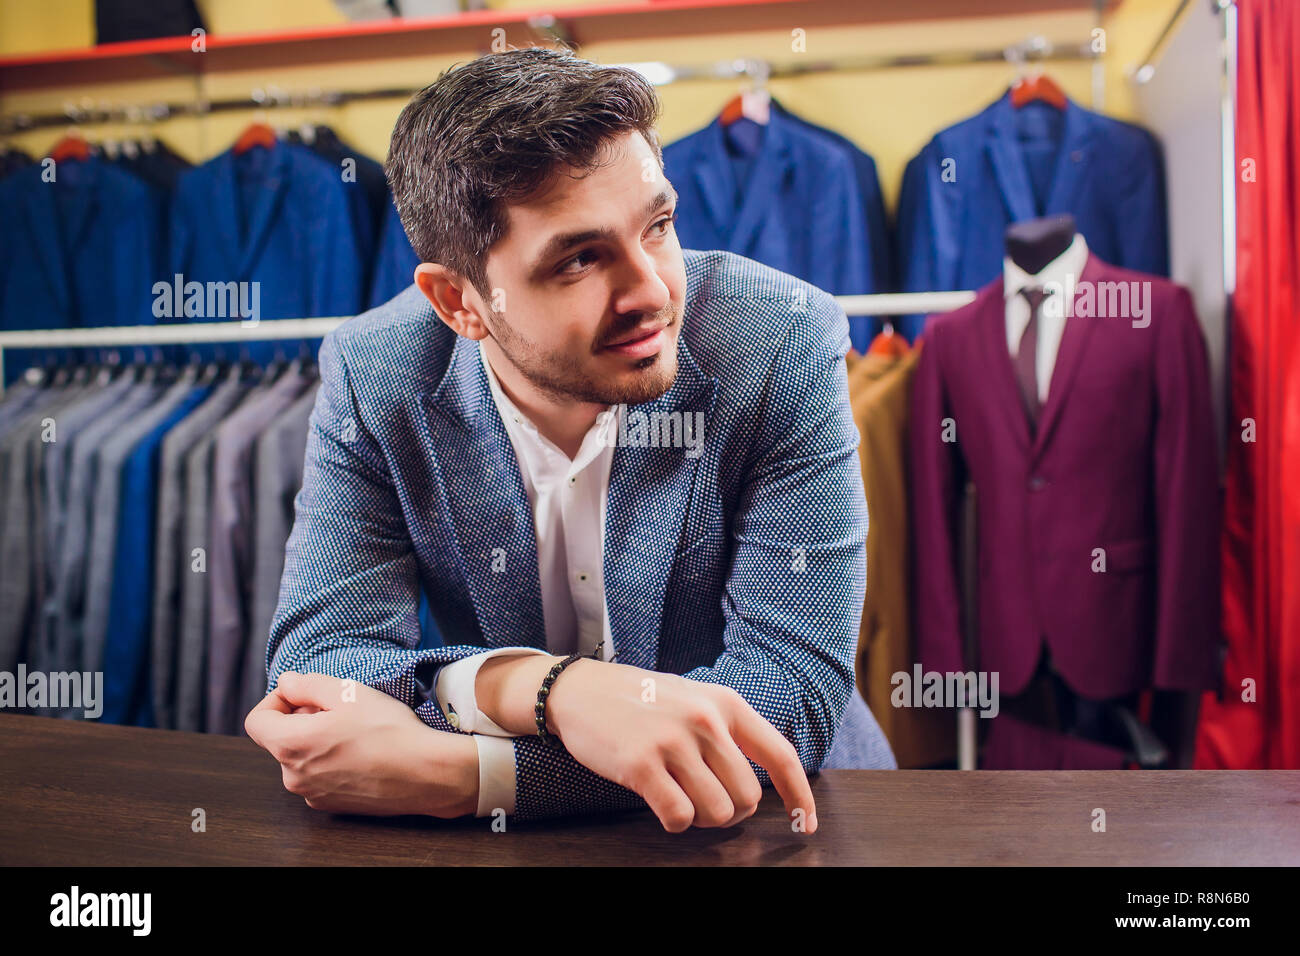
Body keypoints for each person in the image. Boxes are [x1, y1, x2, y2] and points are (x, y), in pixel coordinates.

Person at [244, 47, 896, 834]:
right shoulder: (375, 374)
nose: (654, 292)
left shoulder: (779, 341)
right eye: (580, 260)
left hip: (787, 820)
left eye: (658, 226)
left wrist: (472, 774)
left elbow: (786, 697)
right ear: (459, 301)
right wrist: (555, 690)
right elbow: (320, 666)